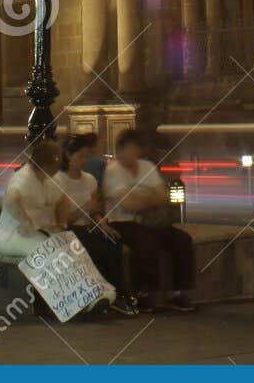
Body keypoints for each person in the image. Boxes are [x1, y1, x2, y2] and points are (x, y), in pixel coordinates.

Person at [103, 129, 196, 312]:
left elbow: (163, 196)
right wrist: (149, 197)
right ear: (120, 150)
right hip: (122, 222)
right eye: (130, 149)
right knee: (146, 241)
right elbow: (129, 204)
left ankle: (176, 292)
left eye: (136, 149)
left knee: (182, 239)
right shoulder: (113, 171)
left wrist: (141, 198)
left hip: (149, 221)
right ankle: (145, 292)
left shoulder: (146, 167)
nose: (133, 153)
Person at [58, 132, 134, 313]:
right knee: (93, 248)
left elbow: (95, 211)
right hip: (70, 229)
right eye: (80, 156)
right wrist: (85, 207)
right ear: (69, 156)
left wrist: (103, 224)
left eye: (86, 156)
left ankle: (119, 294)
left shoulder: (89, 180)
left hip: (88, 227)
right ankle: (100, 295)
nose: (84, 161)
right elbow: (64, 219)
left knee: (113, 243)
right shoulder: (59, 181)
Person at [0, 139, 66, 256]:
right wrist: (27, 222)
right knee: (49, 253)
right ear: (48, 163)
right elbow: (10, 199)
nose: (60, 165)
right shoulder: (24, 177)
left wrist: (61, 224)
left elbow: (62, 199)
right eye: (58, 161)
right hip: (11, 237)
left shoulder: (51, 178)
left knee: (68, 249)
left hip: (38, 234)